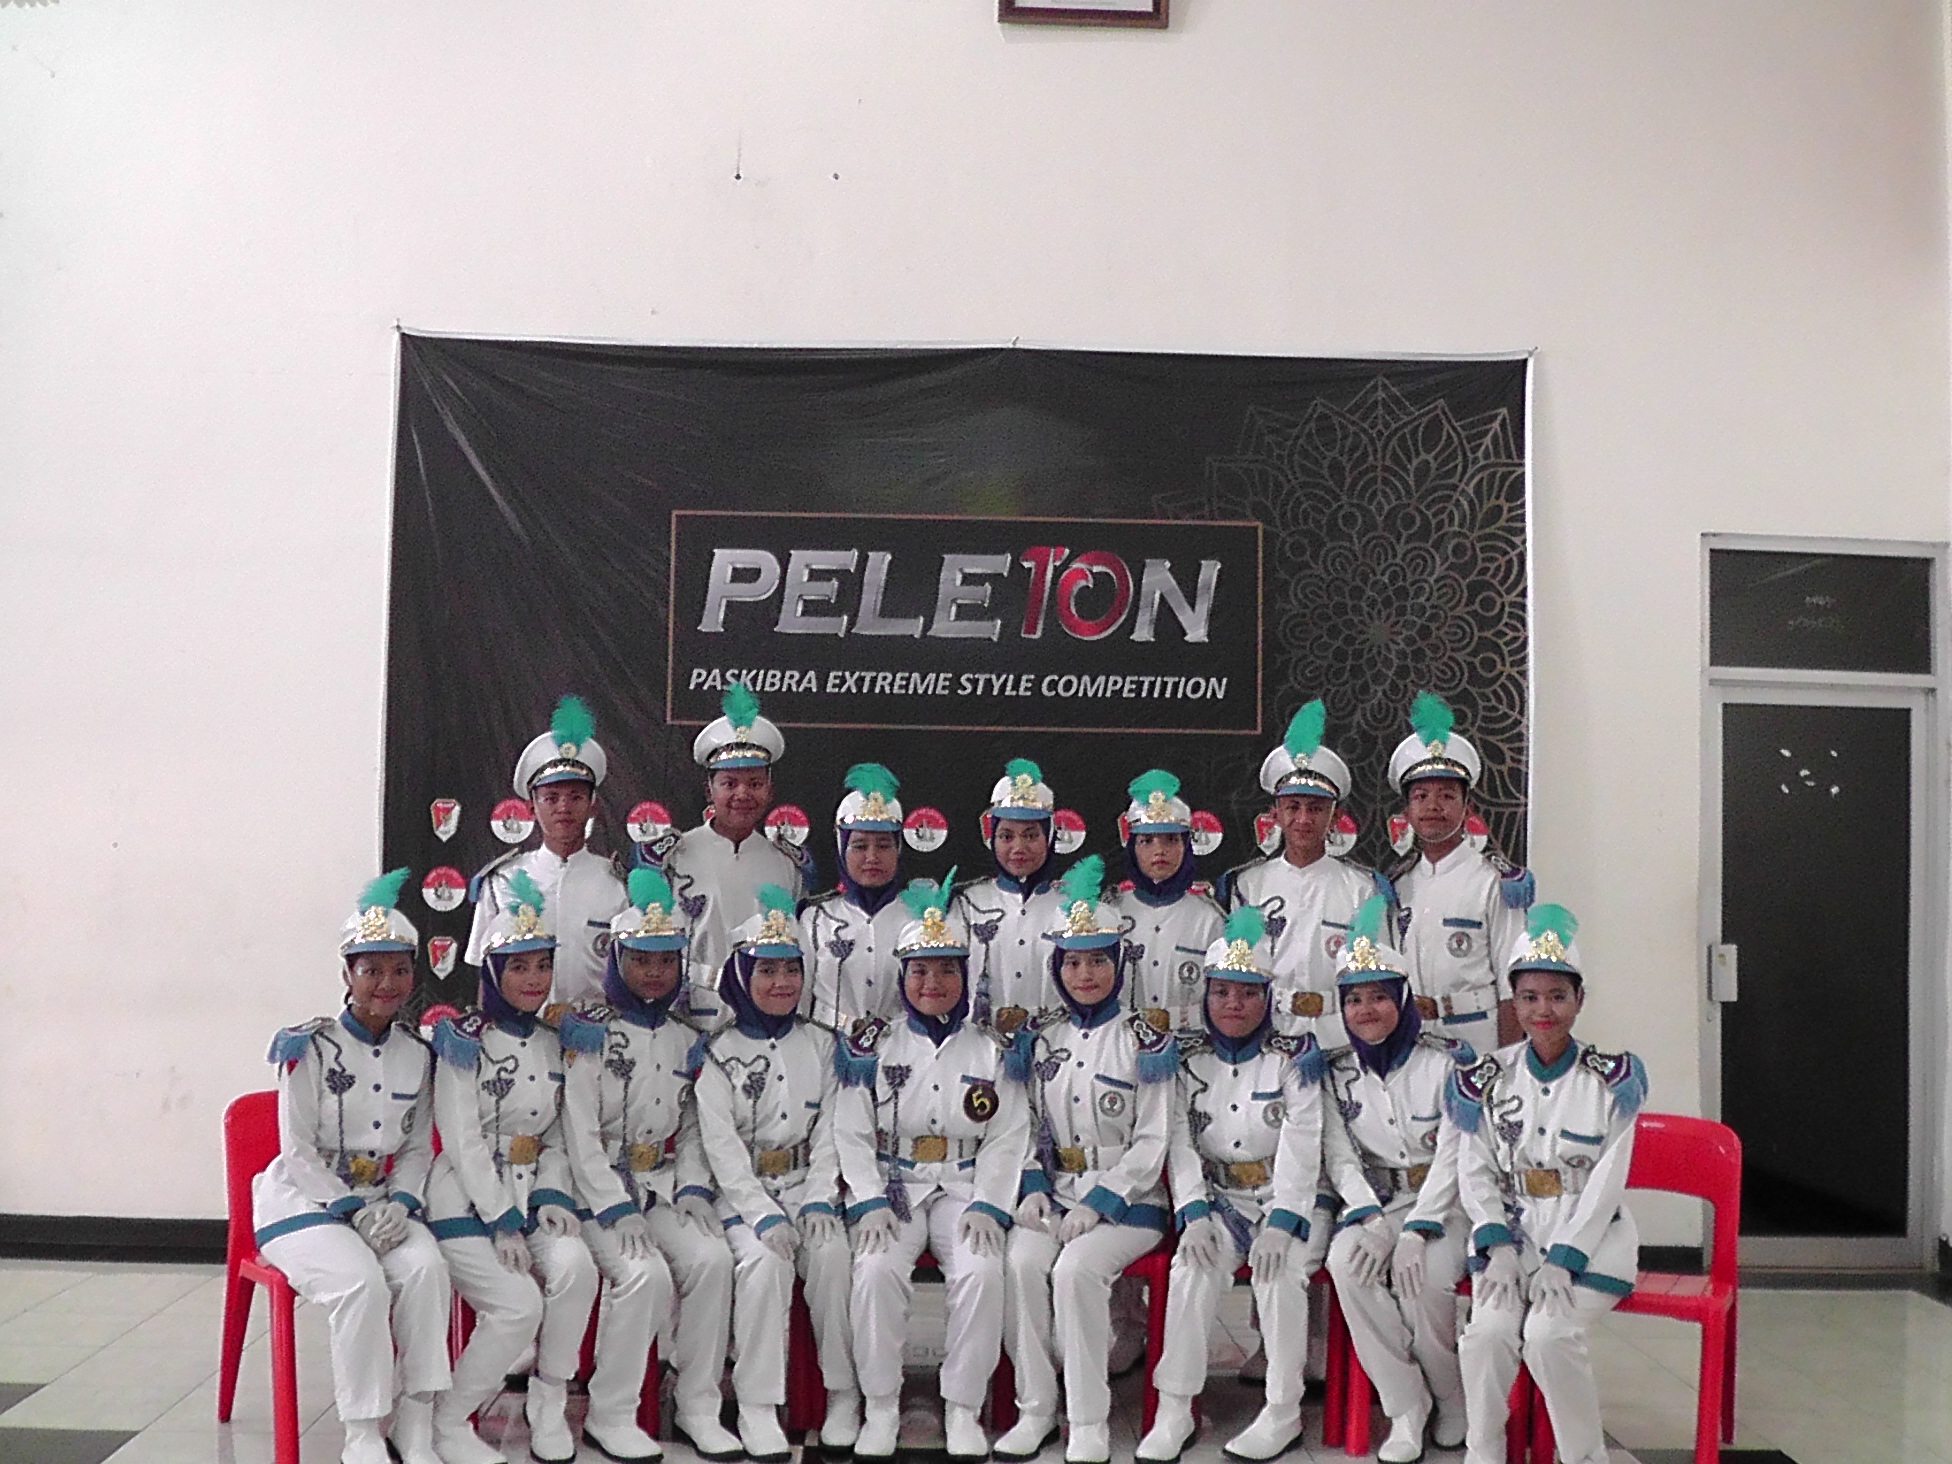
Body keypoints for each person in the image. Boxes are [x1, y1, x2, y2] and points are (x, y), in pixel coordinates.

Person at [254, 870, 452, 1464]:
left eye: (399, 970)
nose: (387, 983)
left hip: (385, 1201)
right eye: (371, 970)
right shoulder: (308, 1049)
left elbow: (416, 1148)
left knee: (427, 1270)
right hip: (306, 1201)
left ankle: (415, 1419)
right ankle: (363, 1431)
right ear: (347, 975)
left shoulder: (418, 1053)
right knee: (361, 1283)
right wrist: (349, 1210)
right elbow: (297, 1150)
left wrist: (403, 1203)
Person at [835, 872, 1030, 1461]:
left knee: (983, 1271)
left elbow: (1008, 1134)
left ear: (965, 978)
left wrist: (991, 1203)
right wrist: (867, 1198)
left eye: (947, 971)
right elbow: (850, 1128)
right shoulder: (873, 1046)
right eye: (920, 971)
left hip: (966, 1185)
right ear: (903, 978)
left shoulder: (993, 1047)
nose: (933, 983)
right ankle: (881, 1405)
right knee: (873, 1270)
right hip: (894, 1185)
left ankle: (962, 1407)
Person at [997, 856, 1179, 1464]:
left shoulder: (1146, 1040)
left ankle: (1088, 1420)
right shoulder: (1038, 1038)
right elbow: (1021, 1125)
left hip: (1131, 1204)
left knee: (1076, 1271)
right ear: (1057, 968)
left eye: (1098, 961)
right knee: (1021, 1262)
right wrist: (1031, 1186)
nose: (1085, 974)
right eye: (1073, 962)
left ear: (1118, 965)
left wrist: (1101, 1202)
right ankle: (1036, 1410)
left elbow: (1154, 1140)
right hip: (1055, 1196)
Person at [1451, 905, 1646, 1464]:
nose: (1543, 1010)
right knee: (1486, 1334)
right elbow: (1475, 1169)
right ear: (1513, 1003)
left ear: (1579, 1000)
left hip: (1592, 1240)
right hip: (1512, 1240)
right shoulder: (1486, 1077)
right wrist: (1496, 1244)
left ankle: (1584, 1456)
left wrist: (1565, 1257)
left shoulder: (1611, 1080)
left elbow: (1607, 1181)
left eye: (1558, 996)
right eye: (1530, 997)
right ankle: (1484, 1450)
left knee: (1548, 1336)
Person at [557, 868, 741, 1463]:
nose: (655, 972)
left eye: (666, 960)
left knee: (713, 1259)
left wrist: (693, 1187)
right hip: (595, 1193)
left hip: (662, 1185)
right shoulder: (589, 1033)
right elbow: (578, 1132)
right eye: (641, 959)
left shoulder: (688, 1035)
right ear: (617, 960)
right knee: (646, 1276)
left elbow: (692, 1125)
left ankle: (697, 1405)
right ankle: (610, 1413)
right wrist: (613, 1207)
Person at [1135, 906, 1326, 1464]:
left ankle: (1283, 1411)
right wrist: (1193, 1213)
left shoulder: (1294, 1059)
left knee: (1280, 1273)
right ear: (1206, 995)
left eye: (1247, 993)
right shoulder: (1185, 1059)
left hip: (1290, 1202)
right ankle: (1175, 1409)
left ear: (1267, 997)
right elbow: (1179, 1142)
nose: (1233, 1004)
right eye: (1221, 992)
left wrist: (1284, 1222)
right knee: (1190, 1268)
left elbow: (1304, 1142)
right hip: (1221, 1201)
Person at [427, 872, 599, 1464]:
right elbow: (461, 1140)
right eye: (519, 967)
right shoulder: (464, 1039)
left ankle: (548, 1401)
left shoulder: (556, 1040)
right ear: (494, 972)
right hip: (466, 1199)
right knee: (518, 1306)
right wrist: (501, 1218)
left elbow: (555, 1135)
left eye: (542, 966)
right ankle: (449, 1421)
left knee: (577, 1267)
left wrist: (552, 1194)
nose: (533, 979)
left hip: (532, 1196)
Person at [694, 885, 859, 1461]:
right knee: (764, 1265)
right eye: (767, 970)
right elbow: (720, 1147)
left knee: (833, 1257)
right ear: (742, 976)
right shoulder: (715, 1052)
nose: (782, 982)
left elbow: (833, 1130)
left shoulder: (824, 1045)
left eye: (791, 969)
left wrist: (818, 1199)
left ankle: (843, 1394)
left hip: (808, 1186)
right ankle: (758, 1405)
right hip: (744, 1198)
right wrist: (762, 1214)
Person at [1319, 895, 1472, 1463]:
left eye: (1379, 996)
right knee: (1346, 1263)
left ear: (1403, 999)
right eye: (1353, 999)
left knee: (1425, 1281)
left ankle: (1450, 1395)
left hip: (1444, 1204)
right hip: (1377, 1205)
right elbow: (1340, 1157)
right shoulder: (1336, 1071)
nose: (1366, 1011)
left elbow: (1456, 1154)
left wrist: (1418, 1228)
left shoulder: (1446, 1062)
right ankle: (1406, 1405)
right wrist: (1372, 1221)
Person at [1225, 700, 1391, 1051]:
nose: (1303, 819)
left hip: (1341, 1040)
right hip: (1267, 1038)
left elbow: (1377, 981)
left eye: (1315, 809)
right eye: (1293, 807)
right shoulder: (1246, 885)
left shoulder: (1363, 888)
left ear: (1334, 817)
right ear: (1275, 813)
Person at [1385, 692, 1534, 1048]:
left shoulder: (1494, 882)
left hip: (1476, 1036)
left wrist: (1505, 1064)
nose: (1433, 806)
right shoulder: (1397, 885)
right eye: (1421, 796)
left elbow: (1512, 987)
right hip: (1412, 1040)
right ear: (1406, 811)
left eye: (1447, 795)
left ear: (1468, 808)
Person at [467, 696, 629, 1007]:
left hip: (595, 1028)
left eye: (576, 797)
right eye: (551, 798)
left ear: (593, 805)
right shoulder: (502, 882)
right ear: (531, 807)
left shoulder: (618, 884)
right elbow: (485, 973)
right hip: (521, 1030)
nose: (564, 808)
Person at [662, 682, 804, 983]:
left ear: (769, 791)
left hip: (767, 1001)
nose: (742, 794)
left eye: (754, 784)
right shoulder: (674, 855)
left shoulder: (786, 863)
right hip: (690, 1003)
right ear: (709, 790)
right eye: (729, 783)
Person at [953, 757, 1066, 1031]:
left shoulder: (1073, 906)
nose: (1018, 847)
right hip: (980, 1042)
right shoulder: (966, 904)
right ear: (991, 839)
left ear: (1050, 838)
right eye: (1006, 836)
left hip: (1054, 1043)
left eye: (1031, 836)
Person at [799, 762, 911, 1030]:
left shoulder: (918, 917)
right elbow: (798, 1005)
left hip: (899, 1048)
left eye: (883, 846)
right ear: (842, 850)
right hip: (827, 1043)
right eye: (859, 846)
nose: (872, 857)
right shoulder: (816, 919)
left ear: (898, 850)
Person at [1113, 768, 1225, 1034]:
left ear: (1187, 846)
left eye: (1171, 840)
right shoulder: (1111, 912)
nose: (1159, 851)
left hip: (1191, 1045)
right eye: (1147, 841)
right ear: (1132, 847)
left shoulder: (1210, 918)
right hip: (1123, 1044)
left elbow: (1224, 997)